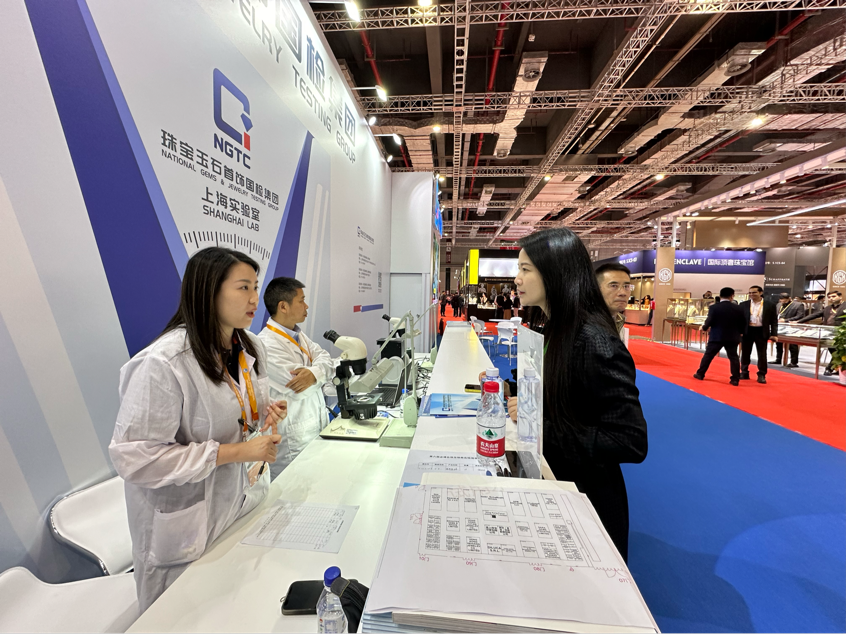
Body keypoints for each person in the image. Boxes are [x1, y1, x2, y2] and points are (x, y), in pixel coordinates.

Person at [109, 247, 288, 611]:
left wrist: (265, 413)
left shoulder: (249, 346)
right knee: (183, 617)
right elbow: (135, 459)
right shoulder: (163, 363)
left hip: (238, 505)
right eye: (243, 287)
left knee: (233, 607)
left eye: (256, 287)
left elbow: (235, 408)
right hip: (184, 529)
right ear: (209, 291)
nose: (255, 299)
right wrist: (236, 452)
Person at [507, 228, 648, 561]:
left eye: (526, 269)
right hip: (558, 487)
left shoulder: (594, 341)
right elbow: (566, 400)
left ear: (555, 273)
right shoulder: (558, 328)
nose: (517, 279)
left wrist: (542, 428)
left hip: (587, 504)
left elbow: (629, 441)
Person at [259, 278, 334, 477]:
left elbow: (325, 357)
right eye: (301, 301)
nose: (306, 306)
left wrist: (314, 374)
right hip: (293, 440)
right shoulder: (266, 344)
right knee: (292, 489)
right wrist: (319, 374)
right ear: (283, 306)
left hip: (314, 427)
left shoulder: (298, 335)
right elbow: (299, 389)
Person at [693, 287, 746, 385]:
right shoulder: (739, 308)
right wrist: (741, 332)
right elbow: (743, 322)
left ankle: (700, 374)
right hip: (732, 336)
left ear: (720, 295)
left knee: (708, 355)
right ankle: (735, 379)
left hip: (716, 336)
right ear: (732, 296)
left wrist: (704, 328)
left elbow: (710, 320)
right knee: (734, 358)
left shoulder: (714, 307)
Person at [796, 290, 846, 375]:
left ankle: (829, 368)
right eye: (829, 297)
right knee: (834, 351)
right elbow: (814, 315)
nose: (831, 298)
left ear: (840, 297)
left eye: (833, 296)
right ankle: (838, 368)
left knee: (838, 351)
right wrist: (798, 322)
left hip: (841, 334)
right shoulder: (827, 308)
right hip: (829, 333)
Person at [739, 285, 778, 384]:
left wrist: (774, 334)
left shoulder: (770, 304)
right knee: (745, 353)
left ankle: (761, 374)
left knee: (762, 354)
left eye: (754, 292)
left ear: (760, 293)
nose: (751, 294)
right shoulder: (743, 304)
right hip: (747, 331)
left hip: (761, 331)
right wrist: (739, 331)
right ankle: (744, 372)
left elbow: (774, 321)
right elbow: (739, 319)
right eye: (750, 293)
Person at [595, 263, 633, 337]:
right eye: (614, 286)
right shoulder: (588, 328)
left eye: (626, 286)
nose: (623, 293)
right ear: (597, 289)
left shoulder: (619, 320)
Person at [773, 293, 805, 368]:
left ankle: (794, 362)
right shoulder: (778, 305)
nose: (782, 301)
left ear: (789, 298)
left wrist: (786, 320)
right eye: (781, 300)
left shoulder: (798, 305)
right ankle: (778, 359)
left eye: (784, 300)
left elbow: (800, 316)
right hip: (780, 326)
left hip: (791, 327)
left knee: (792, 345)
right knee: (778, 343)